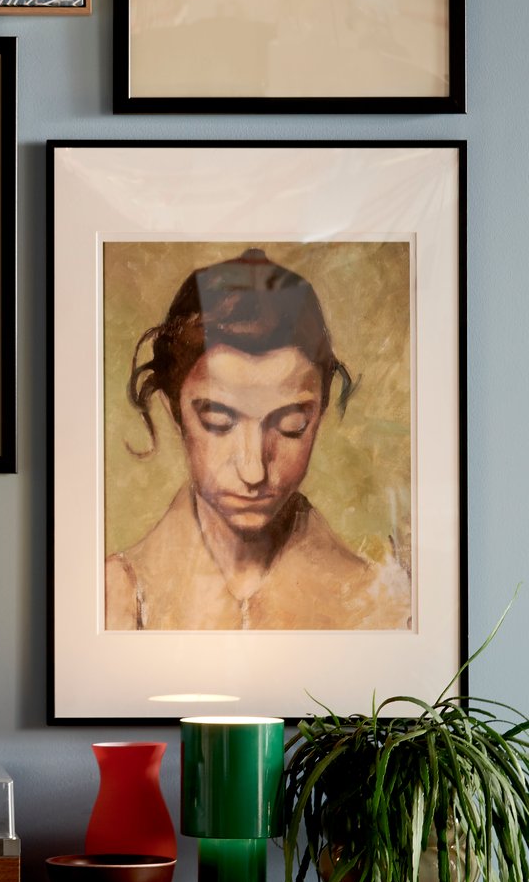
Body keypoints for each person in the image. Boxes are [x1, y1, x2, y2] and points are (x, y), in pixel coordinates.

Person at [105, 248, 410, 632]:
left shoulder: (382, 607)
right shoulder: (117, 597)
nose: (253, 470)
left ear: (320, 412)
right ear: (174, 411)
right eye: (218, 421)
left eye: (291, 424)